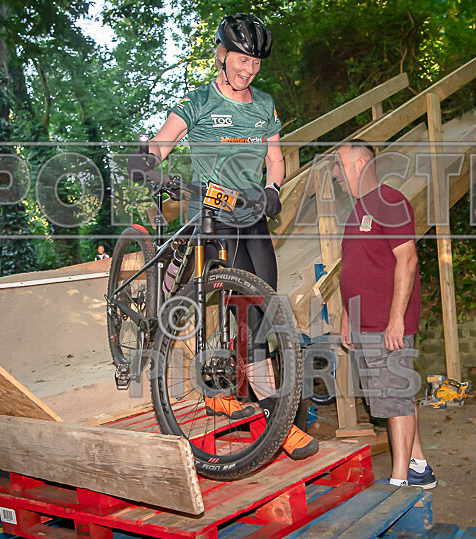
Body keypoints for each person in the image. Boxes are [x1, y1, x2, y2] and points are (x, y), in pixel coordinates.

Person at [127, 14, 317, 460]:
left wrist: (273, 188)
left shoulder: (264, 105)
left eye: (255, 62)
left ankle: (270, 411)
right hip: (209, 212)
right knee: (217, 300)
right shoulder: (196, 102)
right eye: (241, 59)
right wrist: (145, 158)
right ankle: (260, 409)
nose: (248, 69)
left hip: (250, 213)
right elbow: (164, 142)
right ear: (222, 54)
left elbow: (275, 158)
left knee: (262, 313)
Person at [333, 140, 436, 489]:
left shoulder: (391, 201)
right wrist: (349, 314)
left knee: (395, 399)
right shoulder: (356, 211)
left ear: (361, 164)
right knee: (396, 393)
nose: (335, 172)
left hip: (387, 324)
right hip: (365, 321)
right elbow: (354, 267)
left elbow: (407, 260)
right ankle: (420, 466)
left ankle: (400, 480)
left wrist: (397, 319)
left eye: (339, 164)